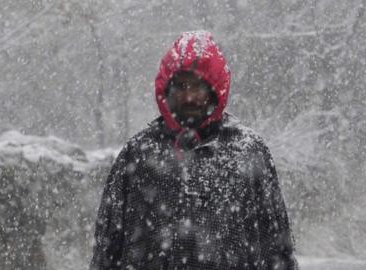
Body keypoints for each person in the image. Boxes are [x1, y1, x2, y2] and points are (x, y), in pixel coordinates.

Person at [90, 31, 298, 270]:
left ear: (215, 89)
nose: (188, 96)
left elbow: (277, 247)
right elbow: (108, 247)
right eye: (180, 86)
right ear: (166, 89)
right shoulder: (138, 153)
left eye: (198, 86)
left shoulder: (248, 152)